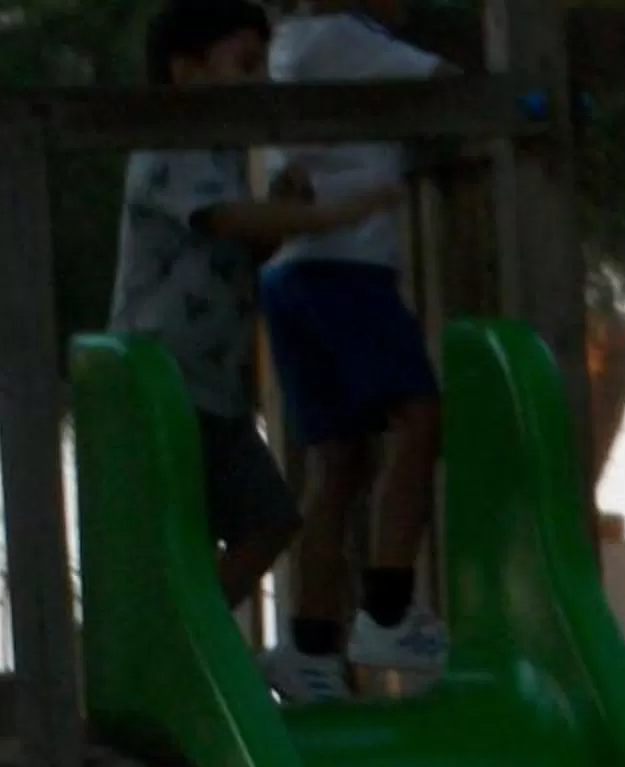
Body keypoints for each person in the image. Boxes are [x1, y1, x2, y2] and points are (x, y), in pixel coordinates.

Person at [112, 2, 395, 612]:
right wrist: (331, 214)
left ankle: (195, 631)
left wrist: (281, 204)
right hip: (168, 385)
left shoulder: (218, 154)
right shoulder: (170, 148)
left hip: (214, 392)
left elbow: (247, 242)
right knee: (244, 523)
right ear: (186, 72)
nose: (261, 79)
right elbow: (234, 221)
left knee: (267, 521)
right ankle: (190, 636)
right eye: (246, 64)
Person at [258, 0, 455, 703]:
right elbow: (448, 84)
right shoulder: (347, 39)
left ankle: (311, 645)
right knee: (419, 416)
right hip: (346, 268)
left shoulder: (290, 42)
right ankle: (388, 609)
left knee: (339, 460)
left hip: (292, 271)